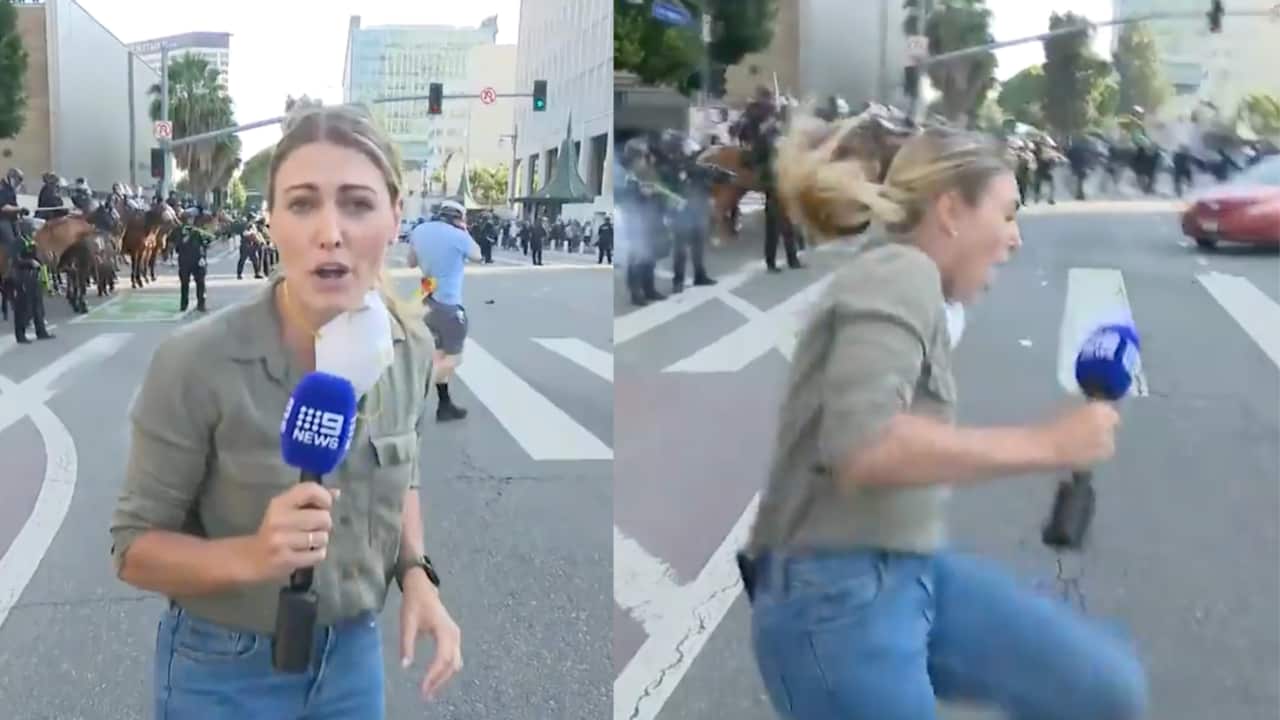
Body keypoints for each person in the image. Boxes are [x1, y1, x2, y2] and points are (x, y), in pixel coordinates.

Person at [740, 118, 1148, 719]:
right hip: (834, 602)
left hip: (910, 571)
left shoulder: (919, 286)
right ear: (952, 211)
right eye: (1007, 214)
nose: (1015, 239)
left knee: (1103, 688)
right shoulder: (900, 273)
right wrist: (1049, 444)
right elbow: (864, 444)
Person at [109, 105, 462, 719]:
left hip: (353, 656)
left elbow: (404, 472)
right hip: (224, 667)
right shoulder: (196, 362)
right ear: (271, 221)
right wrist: (253, 555)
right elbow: (134, 549)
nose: (331, 231)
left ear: (395, 215)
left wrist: (416, 575)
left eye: (357, 203)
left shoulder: (410, 349)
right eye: (302, 204)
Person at [406, 199, 482, 422]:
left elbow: (411, 262)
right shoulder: (458, 235)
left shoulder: (420, 230)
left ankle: (444, 405)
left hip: (426, 299)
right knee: (453, 358)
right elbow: (478, 255)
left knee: (438, 354)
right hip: (449, 304)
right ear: (459, 217)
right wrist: (464, 232)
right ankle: (414, 396)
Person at [174, 209, 212, 312]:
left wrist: (205, 236)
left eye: (192, 218)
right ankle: (183, 304)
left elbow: (207, 242)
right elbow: (178, 246)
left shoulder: (199, 230)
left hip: (198, 259)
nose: (190, 220)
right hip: (185, 260)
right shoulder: (180, 230)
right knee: (185, 283)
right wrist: (188, 235)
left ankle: (201, 304)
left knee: (201, 282)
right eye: (188, 218)